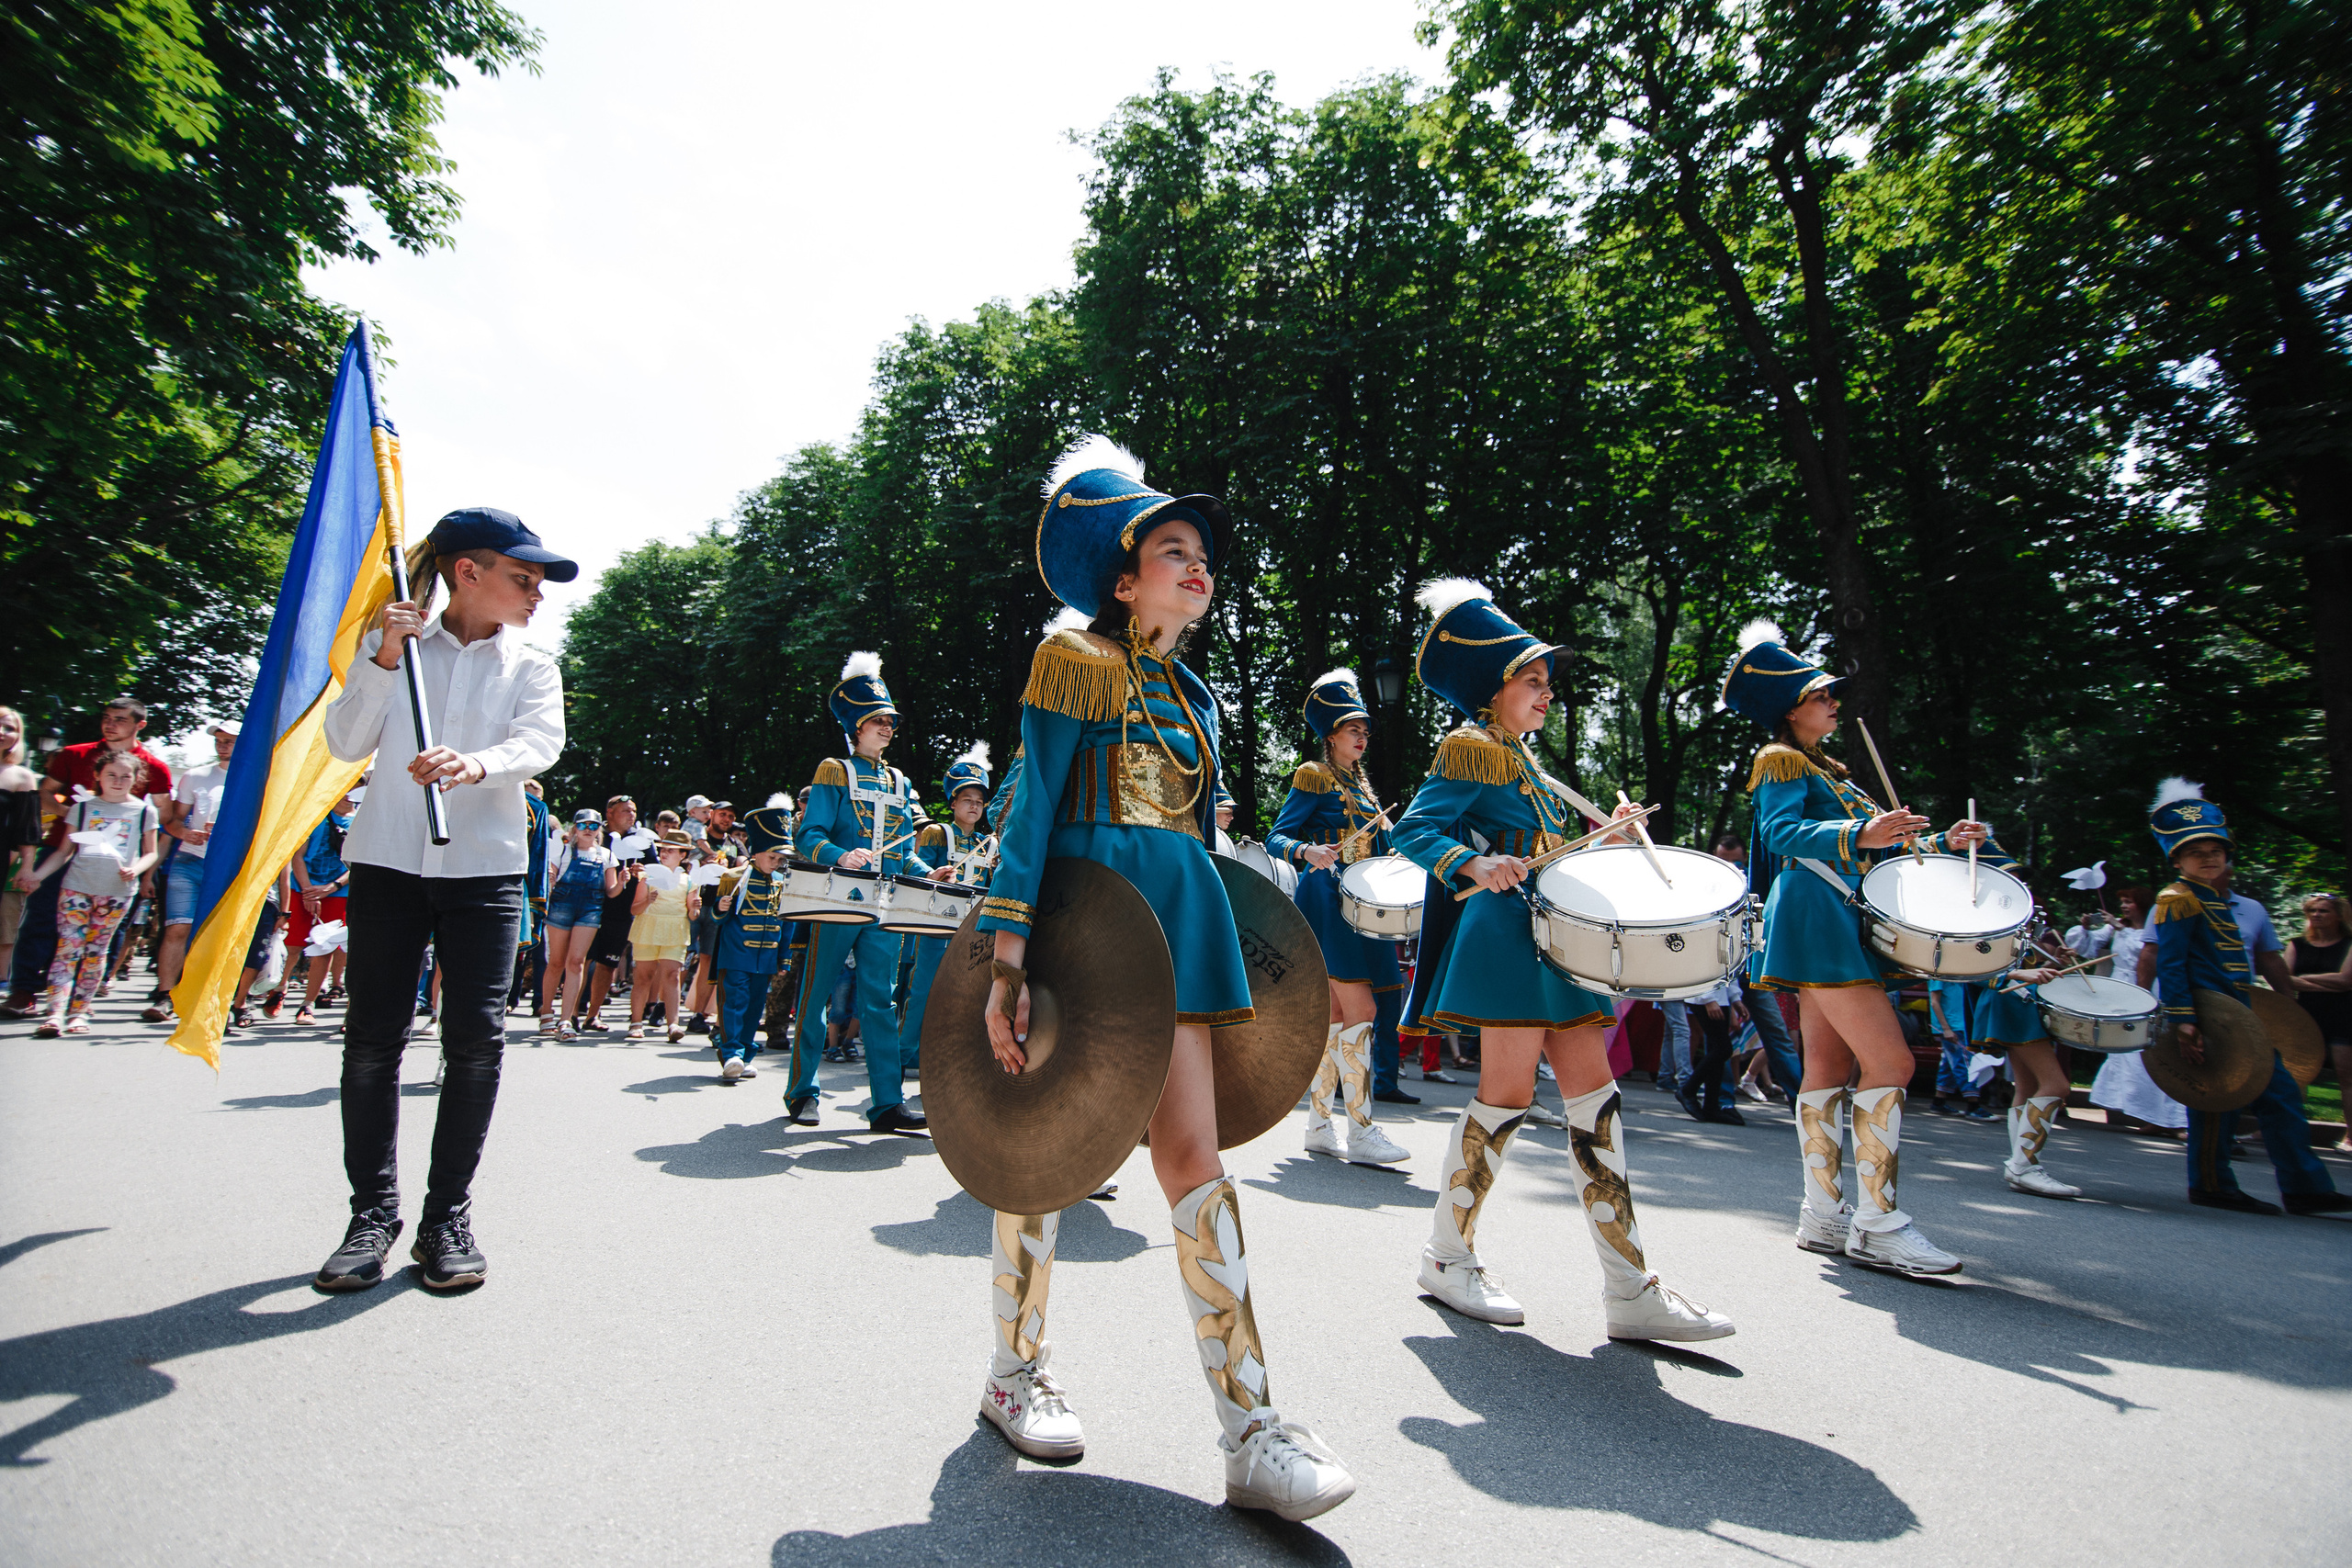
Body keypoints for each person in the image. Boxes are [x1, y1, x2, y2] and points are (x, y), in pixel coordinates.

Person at [972, 436, 1355, 1520]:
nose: (1199, 569)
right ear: (1123, 579)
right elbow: (1031, 809)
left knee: (1193, 1158)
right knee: (1046, 1154)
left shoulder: (1194, 694)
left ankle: (1252, 1431)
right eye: (1174, 551)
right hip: (1085, 929)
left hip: (1177, 931)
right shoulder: (1072, 660)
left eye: (1203, 557)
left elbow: (1193, 834)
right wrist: (1008, 959)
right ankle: (1013, 1375)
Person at [1392, 579, 1730, 1346]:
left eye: (1548, 681)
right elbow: (1414, 828)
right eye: (1532, 679)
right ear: (1494, 686)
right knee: (1506, 1096)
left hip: (1550, 939)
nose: (1548, 693)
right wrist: (1473, 863)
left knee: (1596, 1101)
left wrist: (1611, 833)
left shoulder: (1526, 761)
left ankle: (1629, 1285)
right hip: (1508, 936)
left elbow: (1553, 854)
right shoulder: (1472, 746)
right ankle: (1446, 1255)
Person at [311, 505, 570, 1292]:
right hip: (388, 860)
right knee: (372, 1040)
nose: (536, 594)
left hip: (484, 872)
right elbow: (345, 742)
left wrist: (476, 763)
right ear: (468, 572)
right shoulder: (396, 649)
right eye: (523, 577)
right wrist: (384, 658)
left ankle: (445, 1218)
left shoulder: (533, 667)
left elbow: (540, 744)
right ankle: (371, 1215)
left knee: (475, 1042)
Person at [1722, 622, 1987, 1277]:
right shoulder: (1779, 759)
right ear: (1790, 709)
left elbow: (1875, 849)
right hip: (1818, 912)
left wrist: (1944, 842)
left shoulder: (1826, 768)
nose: (1833, 701)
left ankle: (1823, 1212)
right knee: (1892, 1061)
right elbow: (1782, 832)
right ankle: (1878, 1223)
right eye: (1820, 694)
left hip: (1832, 912)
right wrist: (1862, 830)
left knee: (1828, 1067)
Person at [2145, 780, 2349, 1216]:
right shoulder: (2176, 899)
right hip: (2205, 1015)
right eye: (2196, 852)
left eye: (2216, 850)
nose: (2209, 858)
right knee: (2216, 1102)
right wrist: (2184, 1020)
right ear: (2176, 859)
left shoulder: (2216, 899)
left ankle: (2305, 1188)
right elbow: (2171, 963)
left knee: (2282, 1096)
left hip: (2238, 1016)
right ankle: (2211, 1184)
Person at [1267, 669, 1409, 1166]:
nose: (1362, 738)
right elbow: (1277, 836)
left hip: (1363, 900)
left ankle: (1320, 1126)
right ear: (1330, 736)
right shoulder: (1314, 774)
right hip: (1328, 897)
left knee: (1334, 1018)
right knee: (1363, 1010)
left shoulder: (1364, 787)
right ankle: (1363, 1130)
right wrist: (1307, 850)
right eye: (1353, 730)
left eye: (1365, 730)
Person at [784, 655, 926, 1132]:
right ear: (856, 725)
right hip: (837, 899)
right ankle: (802, 1092)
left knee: (881, 1001)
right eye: (878, 719)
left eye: (890, 720)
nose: (888, 727)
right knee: (817, 994)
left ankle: (887, 1103)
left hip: (884, 903)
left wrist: (933, 870)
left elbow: (902, 852)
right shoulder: (834, 771)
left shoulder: (899, 781)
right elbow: (809, 835)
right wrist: (840, 854)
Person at [5, 695, 174, 1017]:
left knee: (101, 934)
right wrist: (80, 817)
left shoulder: (154, 767)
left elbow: (164, 816)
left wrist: (143, 861)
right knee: (41, 918)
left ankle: (81, 999)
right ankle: (24, 990)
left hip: (115, 862)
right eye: (107, 717)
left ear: (140, 724)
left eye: (120, 719)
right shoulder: (74, 753)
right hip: (63, 847)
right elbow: (44, 793)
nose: (110, 724)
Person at [1955, 843, 2084, 1198]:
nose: (2020, 886)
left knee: (2026, 1087)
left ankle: (2021, 1164)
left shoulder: (2014, 920)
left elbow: (2026, 967)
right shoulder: (1978, 920)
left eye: (2021, 880)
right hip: (2009, 1003)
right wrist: (2018, 976)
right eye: (2011, 879)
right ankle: (2024, 1165)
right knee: (2056, 1085)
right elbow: (1967, 968)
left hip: (2020, 1003)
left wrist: (2055, 962)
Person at [23, 749, 160, 1034]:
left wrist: (135, 869)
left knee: (96, 952)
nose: (118, 781)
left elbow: (151, 852)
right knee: (68, 949)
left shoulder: (145, 811)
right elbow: (64, 852)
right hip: (77, 888)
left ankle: (79, 1012)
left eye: (125, 776)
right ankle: (55, 1012)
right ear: (97, 776)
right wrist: (37, 876)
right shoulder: (82, 808)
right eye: (111, 775)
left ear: (136, 779)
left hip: (117, 893)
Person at [903, 743, 995, 1074]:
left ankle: (946, 1058)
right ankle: (904, 1053)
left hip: (972, 932)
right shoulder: (935, 833)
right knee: (923, 990)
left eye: (979, 802)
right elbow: (917, 870)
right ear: (953, 803)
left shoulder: (989, 843)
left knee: (964, 996)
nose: (974, 806)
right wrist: (935, 874)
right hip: (935, 927)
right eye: (967, 799)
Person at [144, 723, 239, 1022]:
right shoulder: (195, 775)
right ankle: (165, 995)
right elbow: (171, 822)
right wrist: (186, 833)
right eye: (219, 740)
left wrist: (227, 830)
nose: (222, 746)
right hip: (189, 861)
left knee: (216, 934)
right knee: (177, 928)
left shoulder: (259, 778)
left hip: (229, 866)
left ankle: (208, 998)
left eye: (230, 741)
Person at [2087, 886, 2183, 1133]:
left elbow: (2145, 953)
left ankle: (2163, 1117)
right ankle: (2135, 1111)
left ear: (2141, 904)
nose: (2123, 906)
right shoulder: (2118, 927)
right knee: (2122, 1051)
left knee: (2144, 1052)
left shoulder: (2149, 929)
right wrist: (2086, 928)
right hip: (2120, 992)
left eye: (2129, 901)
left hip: (2145, 986)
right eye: (2122, 902)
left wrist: (2120, 929)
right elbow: (2088, 946)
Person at [710, 804, 793, 1078]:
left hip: (766, 959)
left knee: (755, 1008)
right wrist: (720, 907)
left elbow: (785, 923)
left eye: (780, 858)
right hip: (736, 956)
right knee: (734, 1004)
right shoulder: (734, 877)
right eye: (772, 857)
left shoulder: (781, 882)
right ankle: (731, 1053)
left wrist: (783, 958)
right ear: (756, 853)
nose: (776, 863)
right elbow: (718, 919)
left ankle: (744, 1055)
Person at [288, 788, 357, 1025]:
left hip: (340, 892)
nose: (349, 795)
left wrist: (331, 887)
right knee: (296, 946)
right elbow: (298, 855)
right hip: (304, 888)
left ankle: (310, 1005)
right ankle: (282, 991)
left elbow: (359, 863)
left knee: (329, 948)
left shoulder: (361, 820)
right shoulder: (315, 815)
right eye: (347, 788)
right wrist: (309, 891)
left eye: (357, 788)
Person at [541, 809, 612, 1040]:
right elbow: (551, 875)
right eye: (583, 825)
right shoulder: (562, 850)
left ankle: (566, 1019)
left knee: (576, 962)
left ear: (599, 829)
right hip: (562, 906)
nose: (588, 830)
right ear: (574, 828)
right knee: (556, 961)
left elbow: (611, 891)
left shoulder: (606, 855)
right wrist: (550, 878)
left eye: (593, 826)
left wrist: (622, 881)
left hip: (590, 909)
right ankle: (546, 1013)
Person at [627, 829, 700, 1043]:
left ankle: (673, 1024)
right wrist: (647, 900)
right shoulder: (648, 875)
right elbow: (634, 909)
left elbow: (692, 916)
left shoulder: (689, 880)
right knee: (643, 977)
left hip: (675, 931)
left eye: (671, 850)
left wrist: (695, 907)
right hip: (648, 928)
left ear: (683, 855)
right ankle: (636, 1022)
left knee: (672, 976)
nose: (665, 853)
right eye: (663, 849)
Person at [580, 795, 643, 1032]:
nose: (631, 815)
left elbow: (652, 870)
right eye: (626, 810)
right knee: (581, 961)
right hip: (589, 907)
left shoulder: (641, 839)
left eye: (633, 811)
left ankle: (592, 1015)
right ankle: (572, 1013)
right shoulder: (596, 834)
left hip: (621, 912)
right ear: (610, 813)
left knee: (608, 964)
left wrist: (641, 871)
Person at [2286, 893, 2352, 1095]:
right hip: (2305, 1015)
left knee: (2347, 1077)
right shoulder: (2296, 944)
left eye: (2323, 911)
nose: (2316, 914)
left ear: (2339, 915)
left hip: (2343, 1017)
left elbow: (2346, 980)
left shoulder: (2349, 943)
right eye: (2312, 911)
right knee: (2297, 1075)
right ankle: (2294, 1117)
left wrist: (2305, 978)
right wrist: (2330, 984)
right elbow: (2285, 980)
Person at [0, 706, 42, 991]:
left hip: (4, 860)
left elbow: (28, 830)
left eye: (10, 728)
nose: (2, 732)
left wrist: (26, 867)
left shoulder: (21, 777)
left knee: (4, 927)